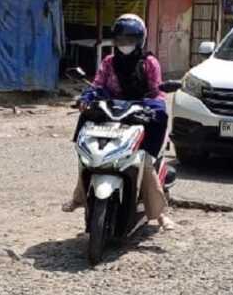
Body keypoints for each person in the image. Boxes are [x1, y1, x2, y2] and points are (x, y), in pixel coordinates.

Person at [63, 14, 175, 231]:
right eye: (121, 39)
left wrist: (152, 108)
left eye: (130, 39)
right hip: (111, 111)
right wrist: (86, 99)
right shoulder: (109, 62)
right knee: (88, 155)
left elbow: (157, 92)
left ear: (140, 40)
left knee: (144, 160)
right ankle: (79, 197)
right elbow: (97, 85)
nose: (125, 44)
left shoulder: (149, 63)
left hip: (139, 113)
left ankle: (160, 214)